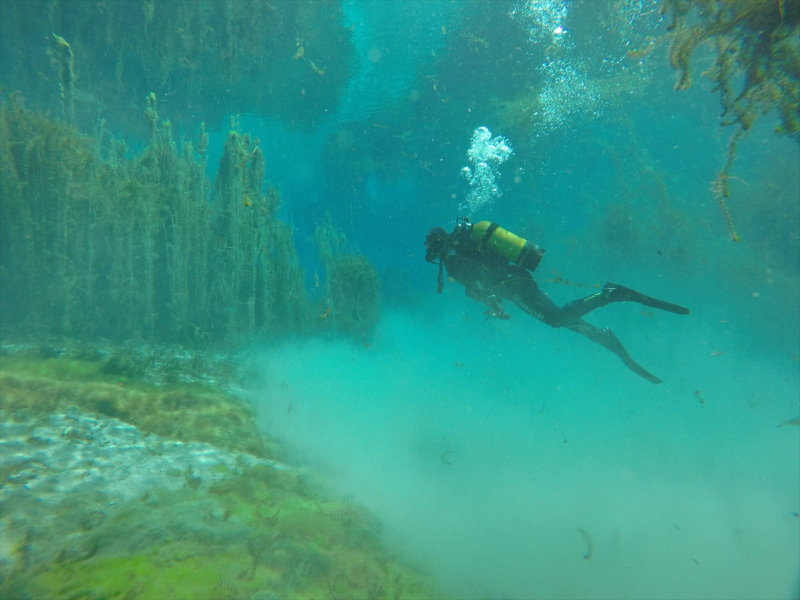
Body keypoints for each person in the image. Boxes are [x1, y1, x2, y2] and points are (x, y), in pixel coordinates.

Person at [424, 217, 690, 384]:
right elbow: (481, 275)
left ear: (437, 247)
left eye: (431, 250)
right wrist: (492, 297)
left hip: (514, 287)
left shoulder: (453, 260)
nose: (434, 255)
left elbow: (478, 279)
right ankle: (602, 333)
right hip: (517, 278)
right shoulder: (464, 245)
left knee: (556, 319)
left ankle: (609, 298)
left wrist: (493, 302)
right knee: (556, 317)